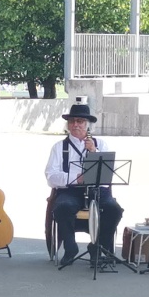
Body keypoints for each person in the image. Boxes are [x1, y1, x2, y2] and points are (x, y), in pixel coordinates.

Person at [45, 102, 123, 265]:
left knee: (114, 210)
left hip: (97, 189)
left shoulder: (100, 144)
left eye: (80, 121)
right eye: (72, 121)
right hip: (71, 190)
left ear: (87, 125)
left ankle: (97, 247)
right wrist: (75, 177)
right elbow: (51, 176)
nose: (75, 125)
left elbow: (108, 174)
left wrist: (94, 152)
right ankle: (70, 248)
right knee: (62, 207)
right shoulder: (59, 147)